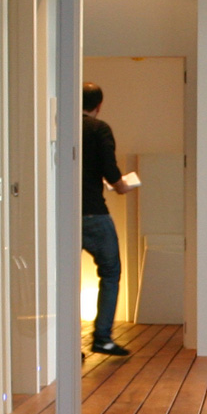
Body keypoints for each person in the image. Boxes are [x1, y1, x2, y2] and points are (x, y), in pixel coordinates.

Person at [81, 82, 135, 356]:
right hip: (93, 212)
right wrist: (121, 185)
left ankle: (66, 344)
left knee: (64, 277)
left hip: (62, 214)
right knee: (110, 272)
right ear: (99, 105)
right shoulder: (98, 129)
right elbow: (109, 169)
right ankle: (102, 338)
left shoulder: (59, 126)